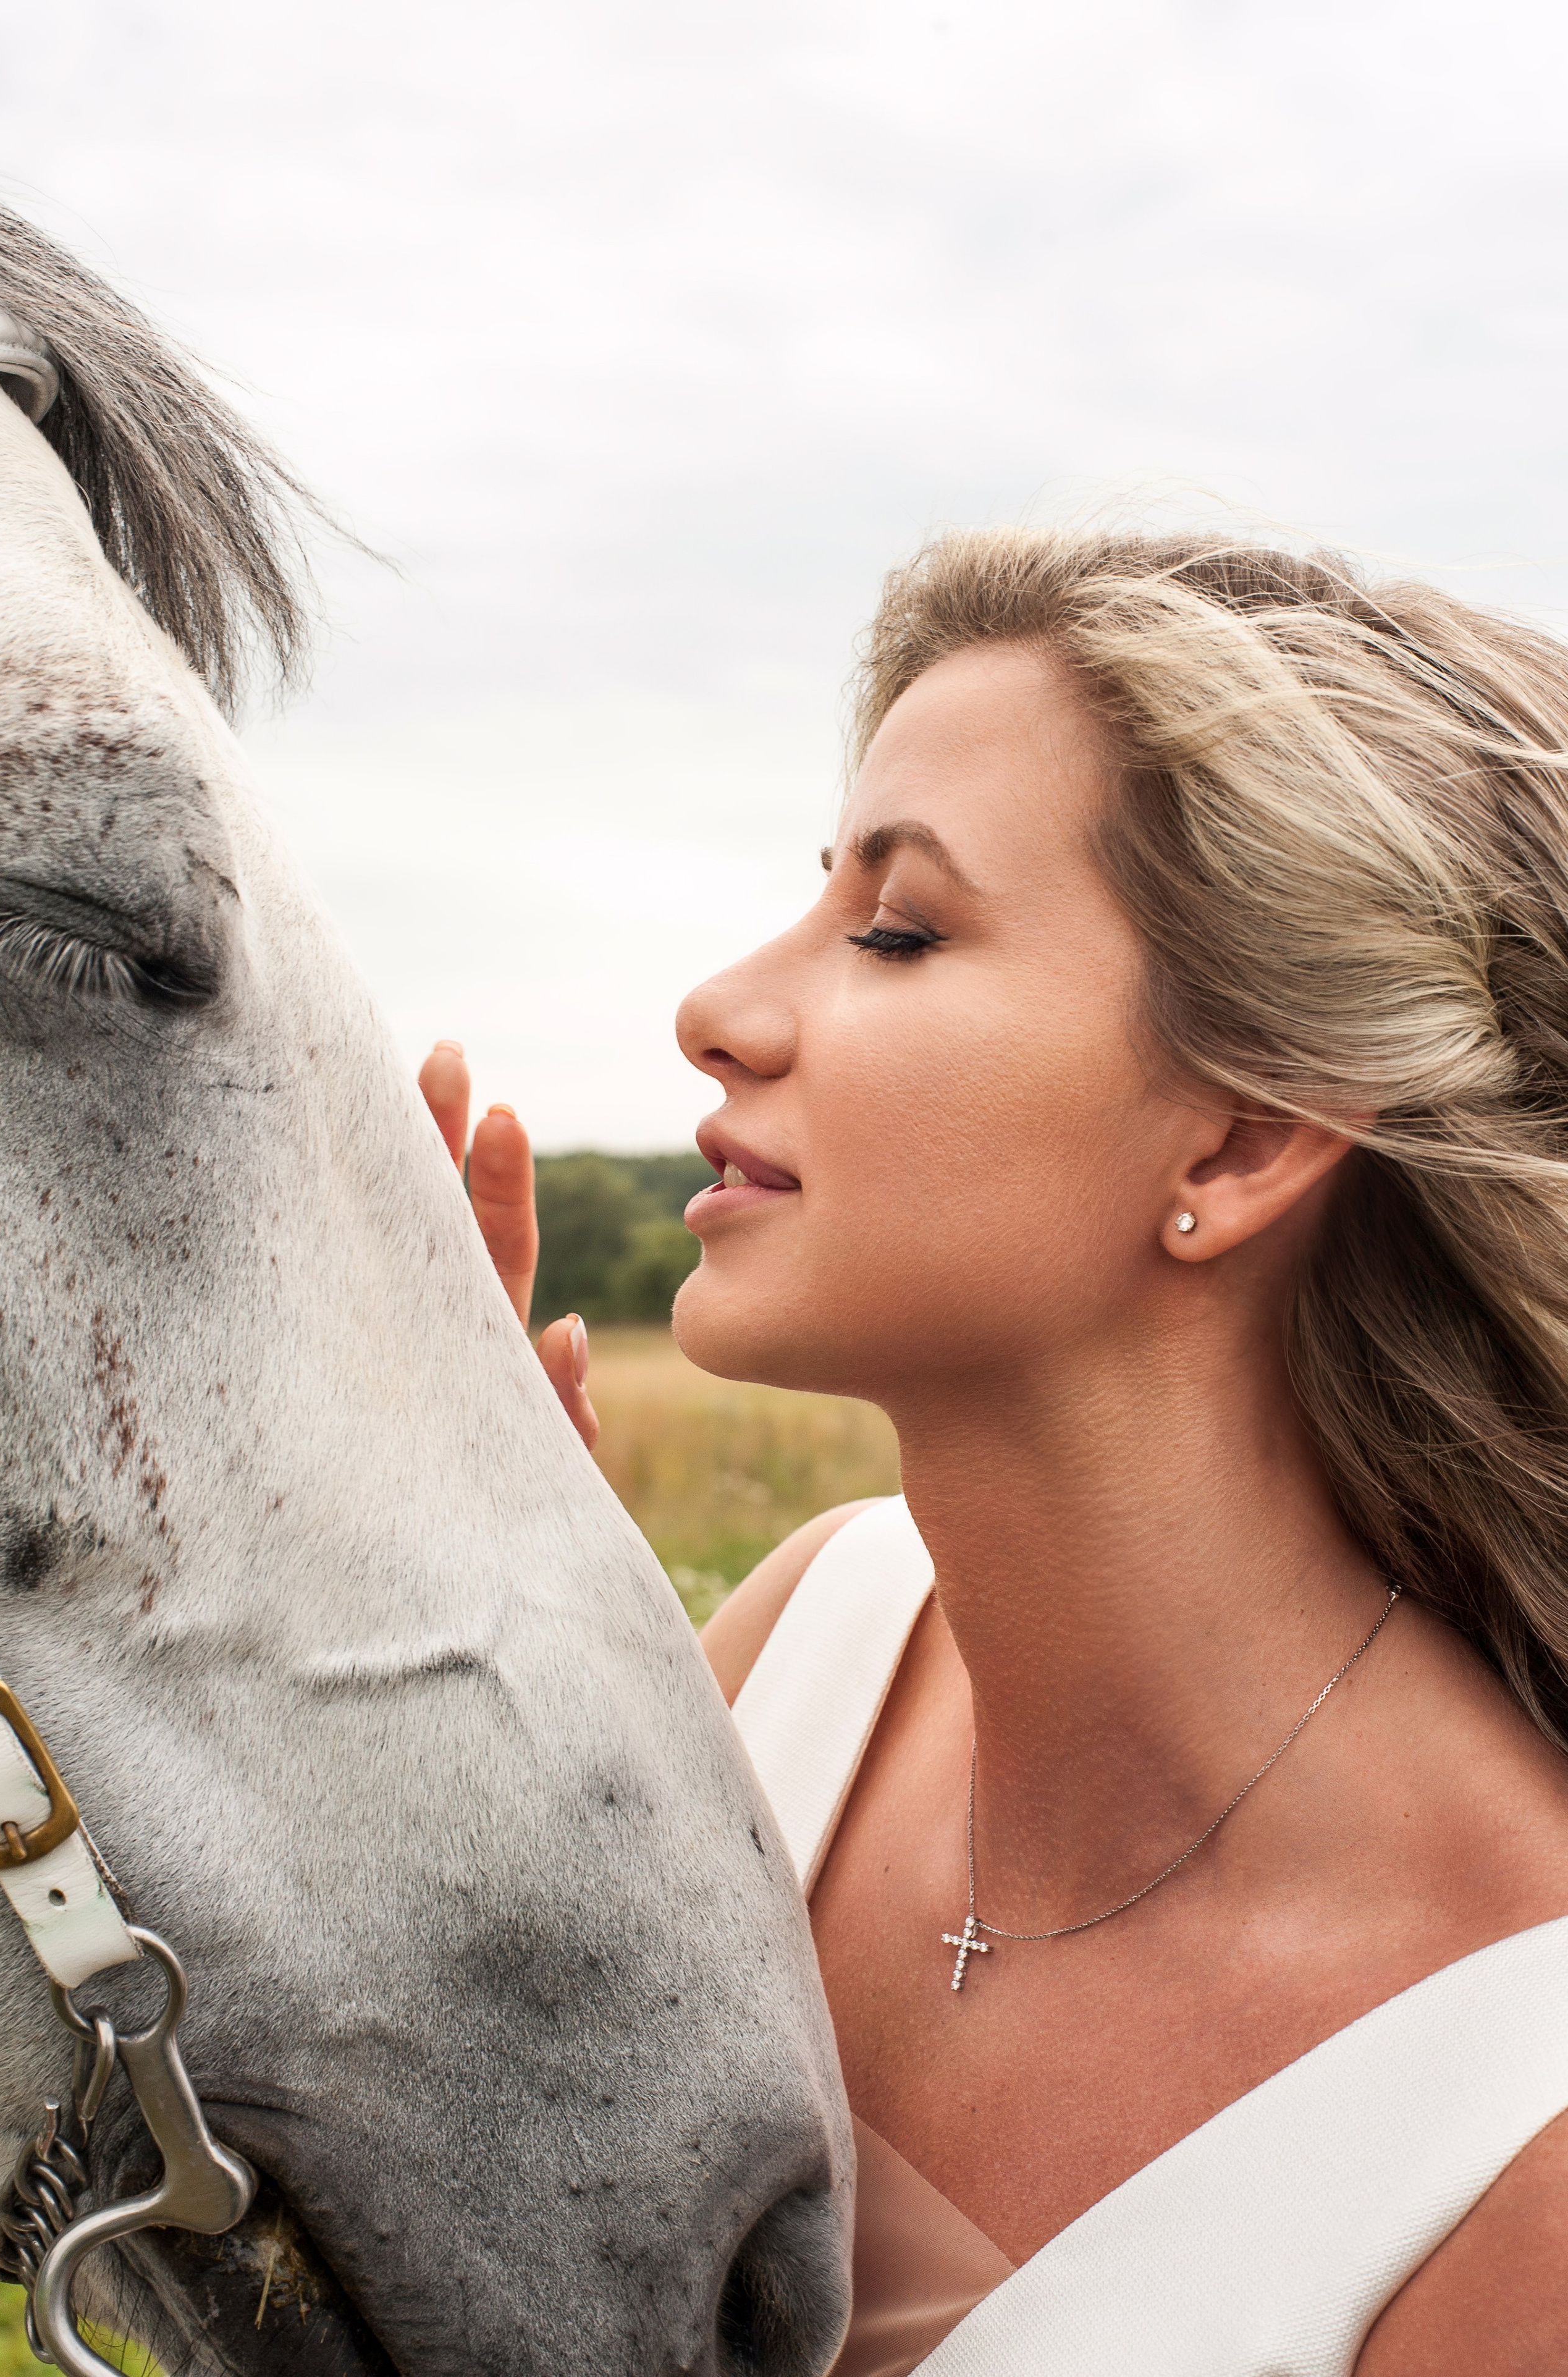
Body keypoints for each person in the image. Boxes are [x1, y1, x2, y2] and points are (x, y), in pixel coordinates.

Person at [423, 530, 1568, 2374]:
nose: (719, 1008)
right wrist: (456, 1681)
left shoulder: (1520, 2131)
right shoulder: (812, 1645)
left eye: (897, 930)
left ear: (1240, 1146)